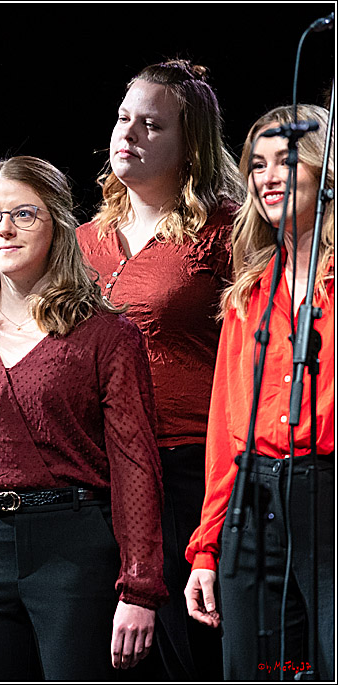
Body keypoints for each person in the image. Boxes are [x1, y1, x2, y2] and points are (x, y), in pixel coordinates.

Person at [0, 156, 168, 680]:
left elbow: (135, 464)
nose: (3, 229)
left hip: (71, 549)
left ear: (57, 224)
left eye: (24, 215)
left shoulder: (105, 336)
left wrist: (140, 586)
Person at [75, 58, 242, 680]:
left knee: (180, 651)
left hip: (185, 465)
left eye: (152, 124)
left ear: (189, 142)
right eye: (124, 119)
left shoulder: (223, 231)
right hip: (95, 472)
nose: (129, 134)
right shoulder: (83, 240)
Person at [185, 104, 334, 680]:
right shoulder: (251, 292)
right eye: (257, 164)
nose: (268, 176)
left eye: (287, 160)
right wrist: (207, 546)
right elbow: (227, 430)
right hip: (254, 504)